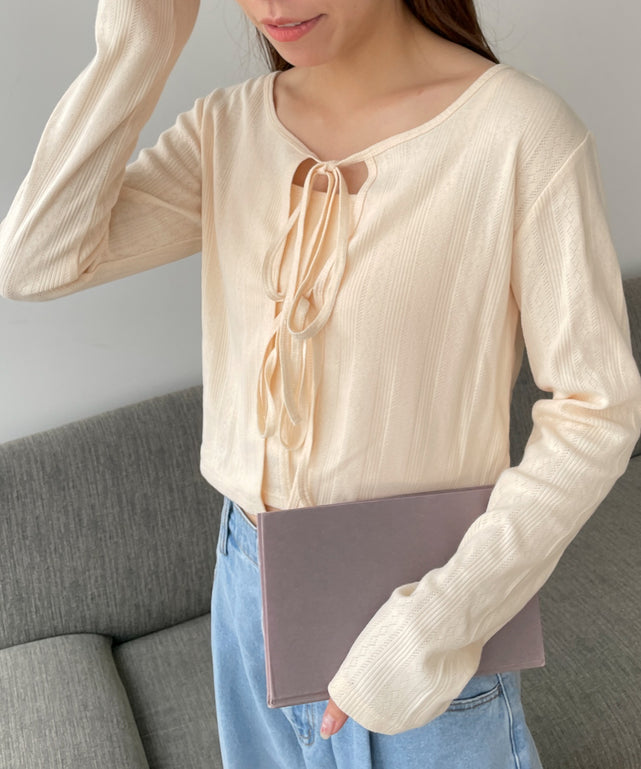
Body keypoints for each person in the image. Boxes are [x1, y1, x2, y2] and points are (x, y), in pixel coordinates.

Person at [1, 0, 641, 767]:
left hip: (423, 596)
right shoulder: (228, 129)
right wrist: (138, 41)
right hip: (249, 584)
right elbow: (36, 261)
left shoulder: (519, 134)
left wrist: (435, 624)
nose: (272, 6)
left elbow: (596, 410)